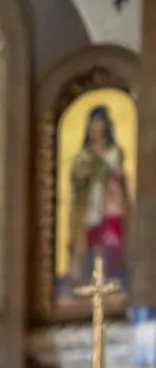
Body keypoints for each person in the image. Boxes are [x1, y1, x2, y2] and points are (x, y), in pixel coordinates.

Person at [67, 104, 130, 287]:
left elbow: (119, 177)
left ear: (105, 125)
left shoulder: (114, 152)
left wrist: (112, 175)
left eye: (100, 122)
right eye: (93, 123)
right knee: (92, 243)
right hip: (90, 206)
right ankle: (92, 280)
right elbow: (77, 178)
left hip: (111, 205)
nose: (96, 127)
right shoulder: (84, 155)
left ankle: (112, 280)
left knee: (111, 242)